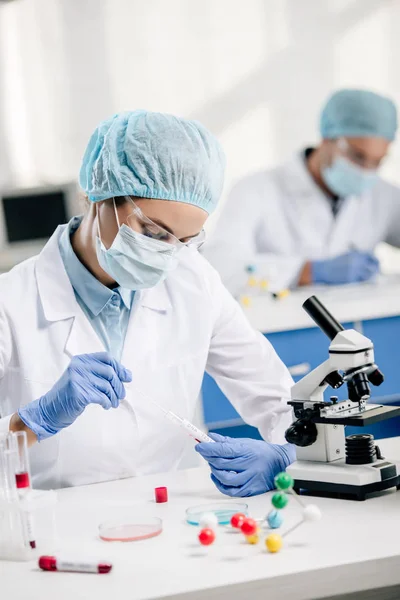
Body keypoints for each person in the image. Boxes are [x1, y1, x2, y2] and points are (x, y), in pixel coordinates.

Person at [0, 110, 295, 496]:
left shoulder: (194, 281)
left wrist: (286, 455)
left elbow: (277, 398)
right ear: (99, 193)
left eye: (185, 241)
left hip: (168, 517)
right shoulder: (11, 302)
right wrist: (34, 421)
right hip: (51, 527)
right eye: (154, 232)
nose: (168, 255)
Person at [203, 89, 400, 296]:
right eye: (357, 157)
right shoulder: (255, 190)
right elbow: (221, 266)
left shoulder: (384, 196)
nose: (365, 171)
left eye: (377, 161)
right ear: (327, 138)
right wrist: (307, 271)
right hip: (279, 324)